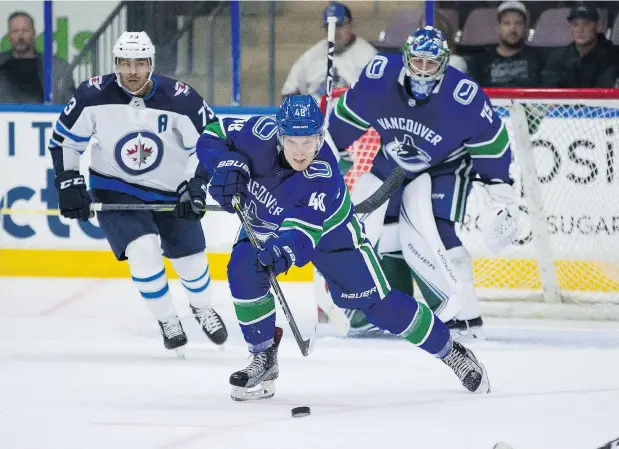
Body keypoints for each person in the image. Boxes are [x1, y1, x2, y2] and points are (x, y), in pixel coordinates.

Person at [196, 94, 491, 401]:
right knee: (243, 270)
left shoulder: (322, 177)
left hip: (333, 238)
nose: (300, 152)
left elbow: (301, 236)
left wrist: (282, 254)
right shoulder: (257, 132)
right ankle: (263, 358)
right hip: (265, 222)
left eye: (308, 141)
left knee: (382, 308)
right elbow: (212, 133)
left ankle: (451, 351)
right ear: (279, 135)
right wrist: (226, 162)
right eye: (293, 141)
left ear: (319, 139)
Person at [328, 26, 520, 340]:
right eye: (417, 62)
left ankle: (465, 318)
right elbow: (348, 118)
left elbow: (493, 142)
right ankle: (391, 310)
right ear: (406, 59)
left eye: (431, 64)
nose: (424, 70)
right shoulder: (379, 78)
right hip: (392, 158)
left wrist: (499, 195)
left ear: (444, 63)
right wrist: (328, 151)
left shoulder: (463, 96)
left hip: (446, 165)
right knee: (382, 228)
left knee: (436, 231)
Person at [48, 31, 227, 356]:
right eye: (125, 63)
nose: (132, 71)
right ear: (115, 64)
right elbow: (64, 141)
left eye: (140, 63)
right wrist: (69, 181)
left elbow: (211, 140)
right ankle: (168, 320)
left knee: (190, 261)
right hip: (116, 187)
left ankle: (202, 308)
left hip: (172, 190)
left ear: (151, 64)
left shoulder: (180, 98)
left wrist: (196, 183)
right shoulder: (92, 95)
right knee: (143, 250)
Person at [281, 2, 376, 102]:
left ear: (351, 25)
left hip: (351, 116)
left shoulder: (369, 56)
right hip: (317, 115)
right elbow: (289, 93)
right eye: (329, 27)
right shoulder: (311, 56)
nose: (334, 31)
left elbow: (380, 97)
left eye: (339, 25)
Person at [0, 11, 75, 103]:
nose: (20, 36)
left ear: (34, 33)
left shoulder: (57, 67)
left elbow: (71, 104)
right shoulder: (2, 63)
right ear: (9, 36)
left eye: (25, 30)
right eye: (15, 31)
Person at [542, 5, 618, 88]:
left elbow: (604, 91)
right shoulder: (558, 56)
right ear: (570, 28)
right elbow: (549, 91)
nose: (580, 29)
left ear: (598, 27)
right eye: (575, 24)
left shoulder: (612, 55)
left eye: (586, 24)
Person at [470, 1, 542, 87]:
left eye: (518, 23)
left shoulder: (538, 58)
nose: (513, 29)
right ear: (498, 27)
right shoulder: (480, 61)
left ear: (525, 27)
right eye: (507, 23)